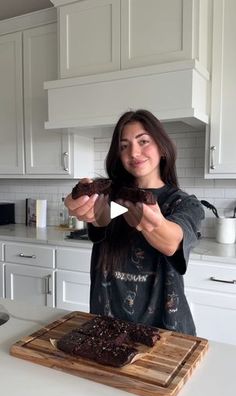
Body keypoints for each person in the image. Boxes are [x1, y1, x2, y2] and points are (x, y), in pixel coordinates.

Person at [65, 109, 204, 335]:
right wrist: (78, 201)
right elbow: (100, 216)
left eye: (143, 141)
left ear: (162, 148)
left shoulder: (183, 203)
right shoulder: (112, 197)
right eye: (124, 145)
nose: (134, 152)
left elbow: (172, 241)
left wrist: (155, 224)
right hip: (108, 325)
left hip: (166, 329)